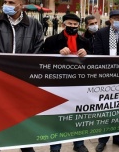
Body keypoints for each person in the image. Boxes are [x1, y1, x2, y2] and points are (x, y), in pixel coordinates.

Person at [0, 0, 43, 152]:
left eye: (11, 2)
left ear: (21, 5)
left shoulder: (34, 24)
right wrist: (5, 72)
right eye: (5, 2)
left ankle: (26, 146)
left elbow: (38, 49)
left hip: (23, 80)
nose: (6, 4)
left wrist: (24, 71)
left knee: (23, 117)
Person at [41, 13, 90, 152]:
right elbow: (43, 57)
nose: (72, 27)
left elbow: (94, 57)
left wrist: (87, 53)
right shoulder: (51, 40)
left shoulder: (85, 41)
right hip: (59, 84)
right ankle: (55, 146)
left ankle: (79, 144)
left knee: (79, 114)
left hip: (79, 83)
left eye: (75, 25)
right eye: (70, 24)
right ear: (63, 25)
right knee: (57, 115)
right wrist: (58, 52)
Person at [94, 10, 119, 151]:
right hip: (107, 77)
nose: (118, 20)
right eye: (115, 18)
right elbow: (97, 54)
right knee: (106, 110)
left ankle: (118, 138)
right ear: (110, 20)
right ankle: (103, 140)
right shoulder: (101, 33)